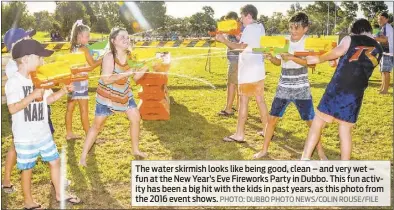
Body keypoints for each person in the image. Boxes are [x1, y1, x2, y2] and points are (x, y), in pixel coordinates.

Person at [5, 39, 81, 209]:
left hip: (44, 133)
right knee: (28, 169)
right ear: (26, 59)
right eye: (39, 58)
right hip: (25, 137)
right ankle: (28, 201)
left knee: (55, 161)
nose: (42, 61)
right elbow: (12, 108)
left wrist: (63, 90)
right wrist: (32, 96)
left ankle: (60, 194)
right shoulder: (14, 83)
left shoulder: (38, 78)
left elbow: (49, 99)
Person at [301, 19, 383, 160]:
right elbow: (352, 62)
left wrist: (318, 59)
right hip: (356, 93)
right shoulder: (379, 49)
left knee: (318, 123)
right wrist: (334, 60)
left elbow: (339, 51)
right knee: (345, 131)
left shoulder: (350, 38)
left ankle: (305, 159)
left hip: (338, 88)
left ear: (355, 30)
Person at [253, 12, 327, 160]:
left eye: (296, 28)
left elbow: (310, 63)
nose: (292, 31)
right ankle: (264, 150)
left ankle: (321, 153)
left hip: (301, 88)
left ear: (305, 29)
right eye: (291, 28)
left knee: (311, 122)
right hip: (283, 87)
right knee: (272, 120)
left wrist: (292, 57)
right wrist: (272, 58)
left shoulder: (308, 43)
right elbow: (279, 62)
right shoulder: (284, 41)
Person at [79, 28, 148, 166]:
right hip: (107, 95)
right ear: (113, 41)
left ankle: (135, 150)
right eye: (122, 37)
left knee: (136, 118)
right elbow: (106, 79)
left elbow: (135, 77)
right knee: (97, 126)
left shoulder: (131, 56)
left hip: (124, 93)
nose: (126, 39)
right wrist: (127, 72)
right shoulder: (109, 56)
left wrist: (146, 67)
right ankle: (83, 157)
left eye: (127, 37)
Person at [1, 28, 57, 194]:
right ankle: (7, 180)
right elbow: (18, 96)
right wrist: (36, 91)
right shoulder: (14, 69)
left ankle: (54, 176)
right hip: (27, 112)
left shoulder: (25, 62)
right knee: (18, 146)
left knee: (28, 143)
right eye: (26, 37)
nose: (29, 38)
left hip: (37, 108)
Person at [215, 4, 269, 142]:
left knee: (243, 102)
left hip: (248, 72)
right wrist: (240, 37)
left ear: (249, 16)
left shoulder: (250, 28)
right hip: (258, 71)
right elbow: (251, 44)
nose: (241, 19)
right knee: (260, 100)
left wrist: (224, 40)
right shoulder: (260, 26)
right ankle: (267, 130)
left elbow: (240, 48)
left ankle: (239, 134)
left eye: (242, 16)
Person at [65, 20, 102, 140]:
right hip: (80, 83)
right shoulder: (84, 49)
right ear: (79, 36)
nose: (89, 38)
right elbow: (91, 66)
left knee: (70, 109)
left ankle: (69, 134)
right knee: (84, 111)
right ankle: (89, 136)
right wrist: (103, 58)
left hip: (71, 81)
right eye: (87, 36)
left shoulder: (73, 48)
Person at [218, 11, 241, 117]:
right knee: (236, 84)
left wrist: (237, 35)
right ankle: (239, 106)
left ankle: (228, 109)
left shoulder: (241, 28)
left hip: (236, 60)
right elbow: (222, 39)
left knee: (231, 84)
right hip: (233, 59)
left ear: (236, 20)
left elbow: (242, 42)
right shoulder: (229, 30)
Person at [375, 12, 393, 94]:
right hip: (384, 52)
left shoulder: (387, 27)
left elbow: (385, 40)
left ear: (387, 19)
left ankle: (385, 90)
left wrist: (374, 38)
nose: (379, 20)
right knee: (383, 71)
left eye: (381, 19)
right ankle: (382, 88)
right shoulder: (383, 27)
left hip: (388, 53)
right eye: (379, 19)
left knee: (386, 71)